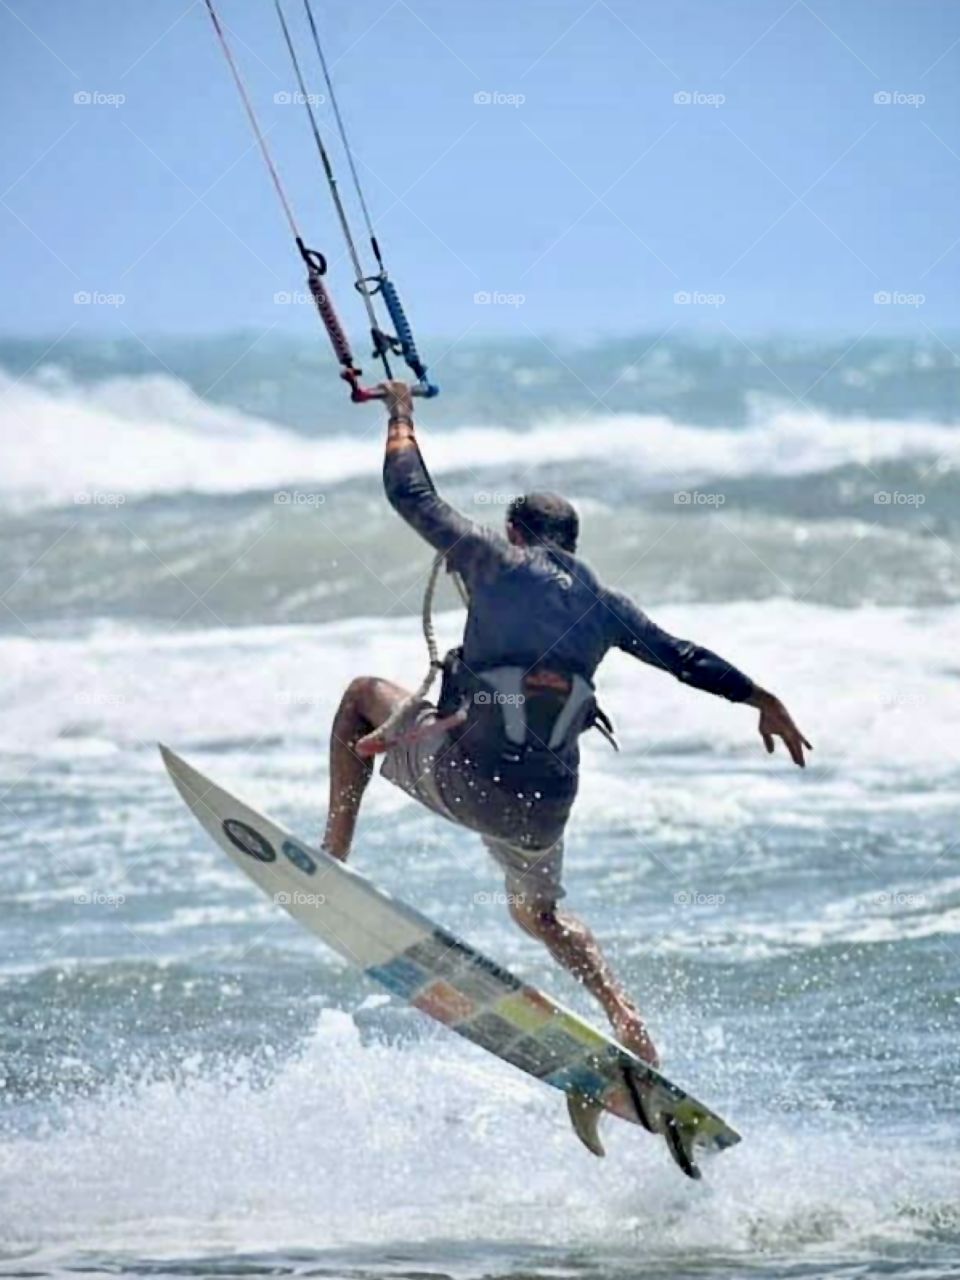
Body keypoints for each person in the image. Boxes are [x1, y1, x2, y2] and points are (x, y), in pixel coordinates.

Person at [322, 381, 811, 1073]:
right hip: (545, 810)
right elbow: (685, 659)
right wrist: (761, 697)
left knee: (361, 697)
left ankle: (330, 859)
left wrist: (400, 412)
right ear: (574, 544)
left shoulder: (495, 560)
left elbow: (412, 495)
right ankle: (622, 1012)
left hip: (473, 781)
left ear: (517, 535)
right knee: (537, 915)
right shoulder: (605, 605)